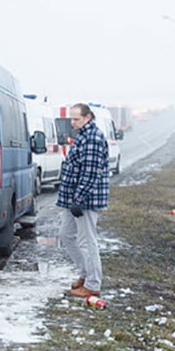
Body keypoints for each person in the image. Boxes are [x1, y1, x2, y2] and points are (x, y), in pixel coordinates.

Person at [56, 103, 110, 298]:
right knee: (66, 235)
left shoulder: (93, 138)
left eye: (76, 119)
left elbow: (90, 173)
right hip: (74, 198)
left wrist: (78, 199)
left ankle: (93, 284)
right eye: (71, 118)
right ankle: (85, 274)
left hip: (86, 199)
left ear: (87, 117)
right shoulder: (83, 136)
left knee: (87, 241)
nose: (72, 122)